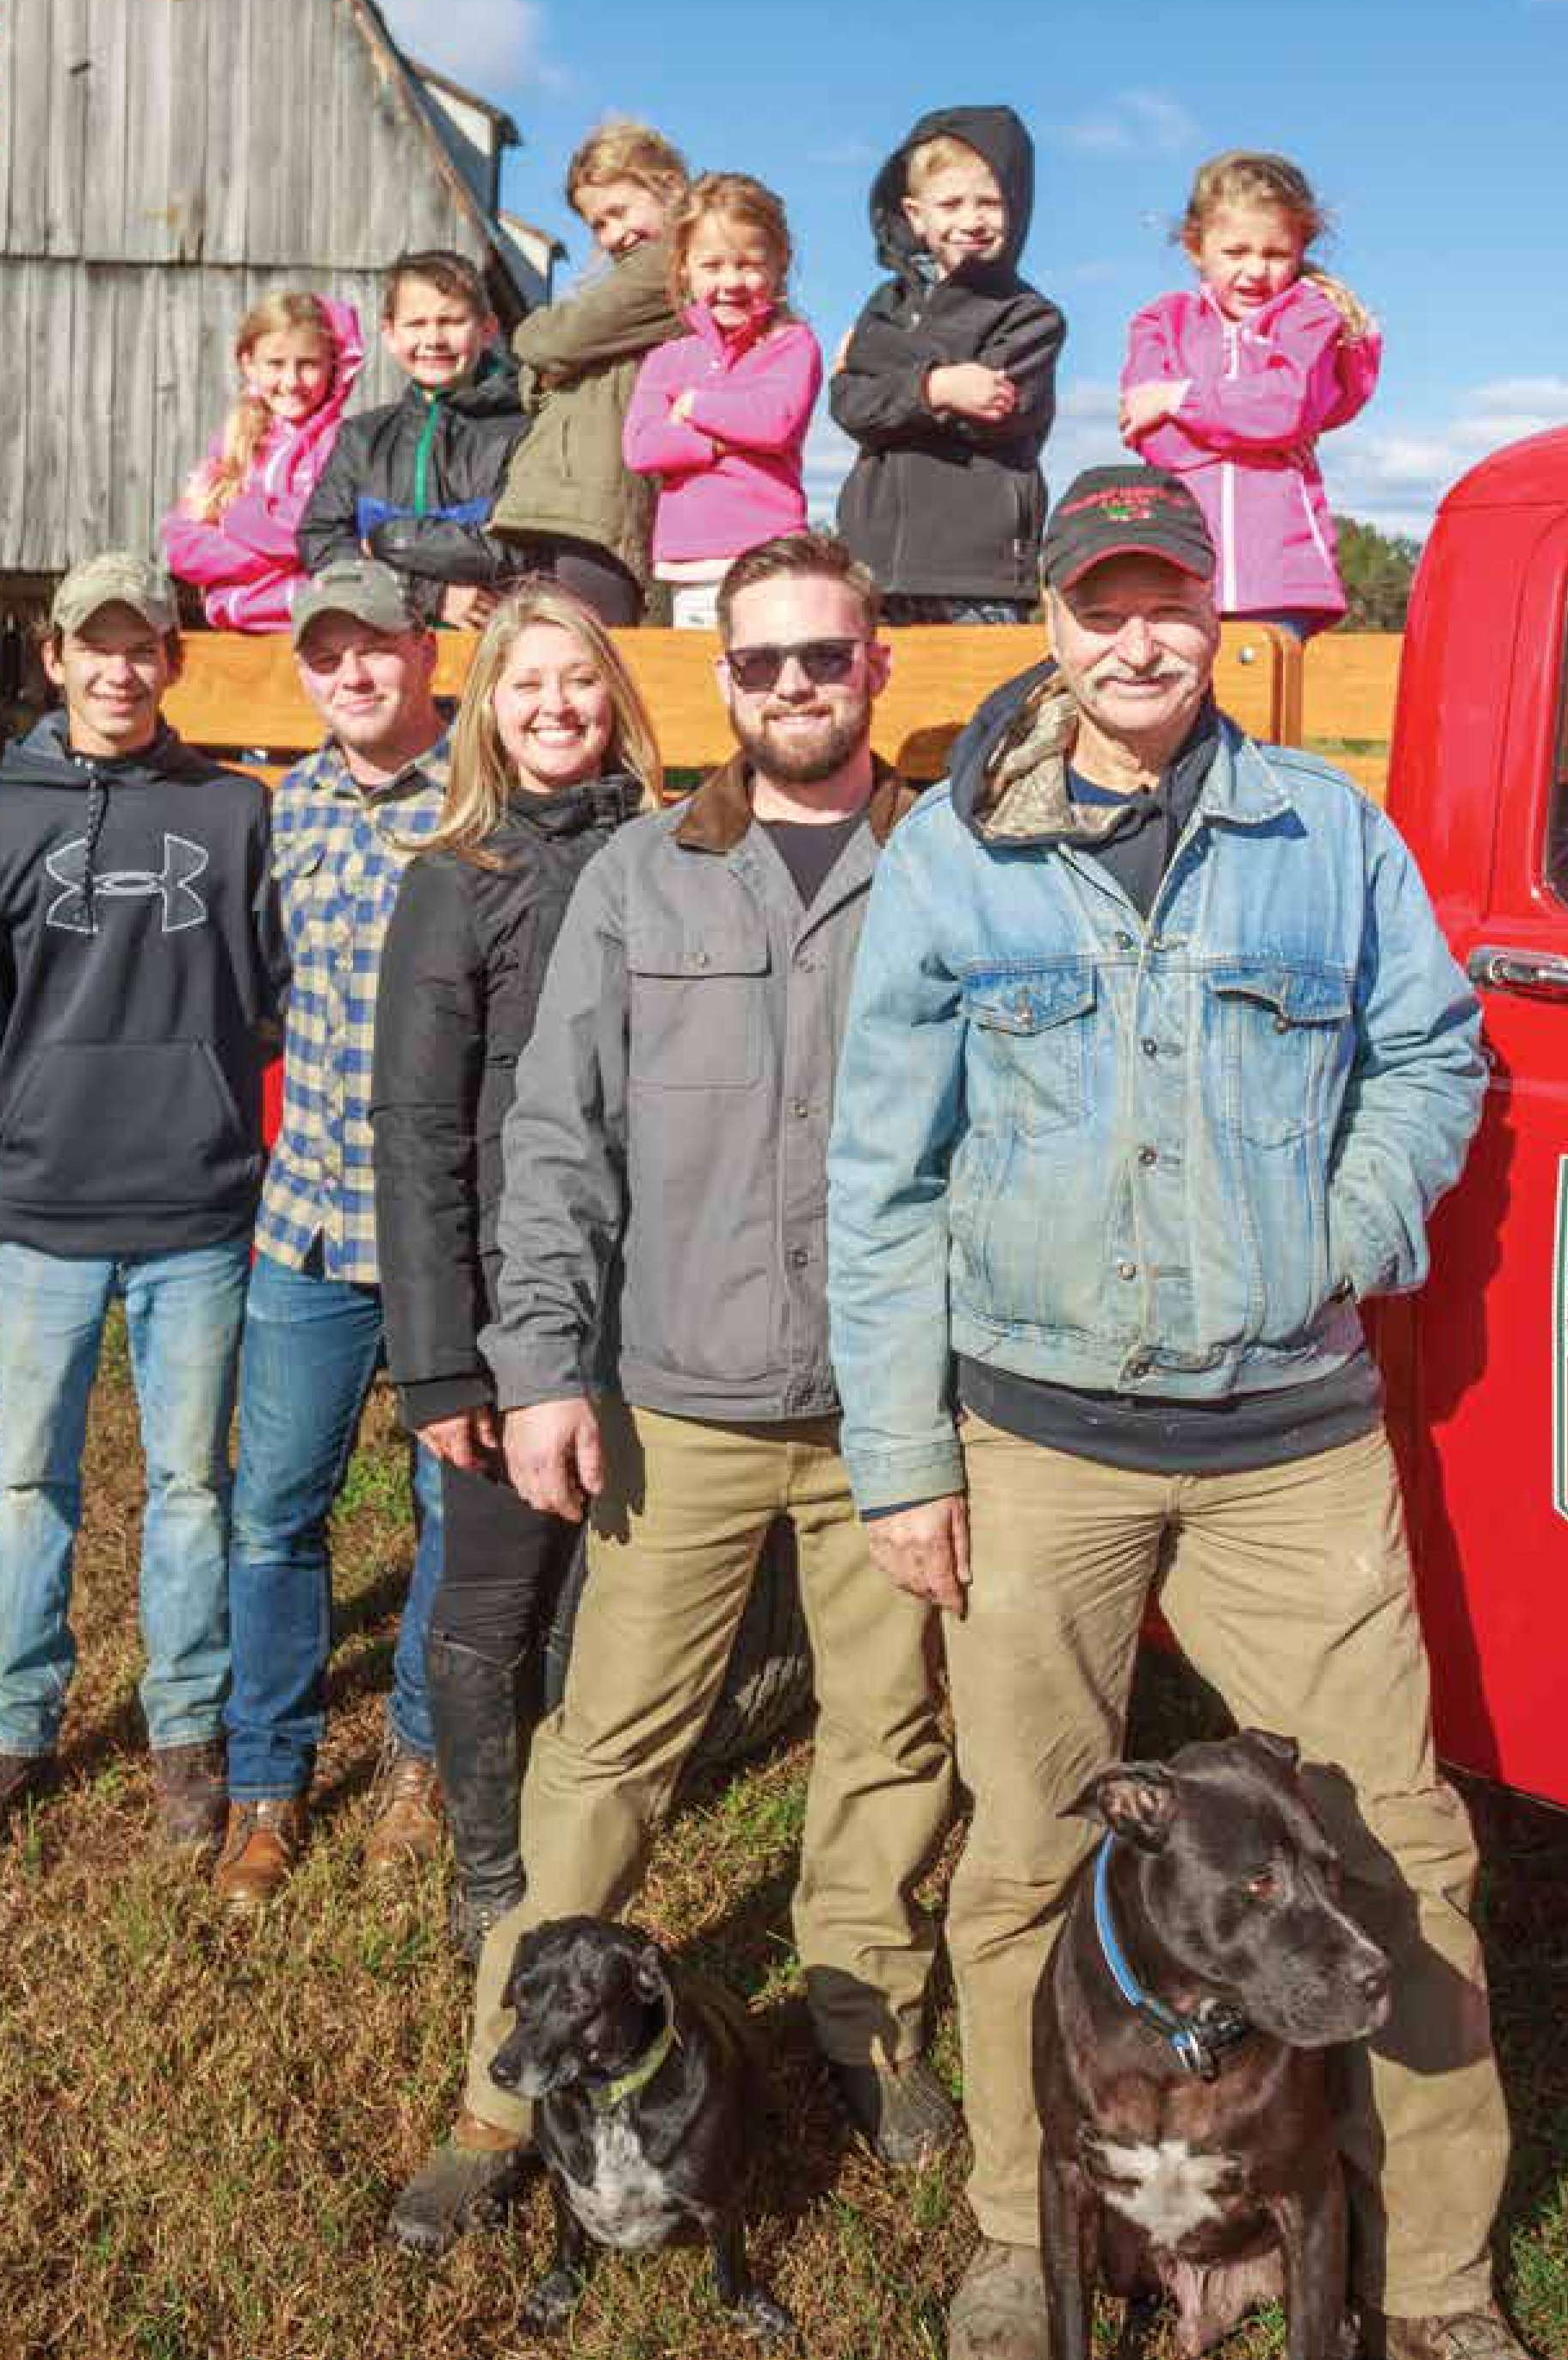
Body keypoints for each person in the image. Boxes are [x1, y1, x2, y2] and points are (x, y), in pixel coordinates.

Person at [827, 467, 1526, 2360]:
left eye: (1167, 601)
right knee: (1018, 1854)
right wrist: (900, 1456)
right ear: (1048, 624)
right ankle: (1019, 2223)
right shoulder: (953, 855)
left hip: (1286, 1441)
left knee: (1398, 1848)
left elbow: (1429, 1050)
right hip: (1037, 1440)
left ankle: (1434, 2277)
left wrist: (1344, 1230)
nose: (1136, 638)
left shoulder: (1322, 830)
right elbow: (881, 1171)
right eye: (1099, 603)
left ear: (1218, 615)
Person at [388, 529, 958, 2252]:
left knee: (889, 1733)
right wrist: (540, 1363)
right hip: (681, 1402)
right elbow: (555, 1136)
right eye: (761, 659)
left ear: (872, 667)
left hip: (889, 1407)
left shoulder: (946, 863)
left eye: (824, 655)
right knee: (607, 1749)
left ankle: (865, 2019)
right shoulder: (643, 875)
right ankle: (500, 2096)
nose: (794, 684)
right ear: (722, 680)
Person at [0, 551, 285, 1859]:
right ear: (55, 658)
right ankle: (10, 1727)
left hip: (197, 1212)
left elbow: (279, 1005)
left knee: (192, 1486)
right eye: (96, 645)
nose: (119, 670)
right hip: (39, 1217)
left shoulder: (234, 814)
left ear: (172, 663)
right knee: (29, 1479)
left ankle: (185, 1730)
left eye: (144, 647)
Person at [369, 586, 660, 1953]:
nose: (555, 706)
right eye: (526, 683)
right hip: (504, 1298)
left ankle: (573, 1830)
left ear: (617, 698)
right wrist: (439, 1361)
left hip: (653, 1293)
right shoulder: (456, 878)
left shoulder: (674, 850)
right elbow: (417, 1128)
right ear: (486, 707)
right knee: (492, 1596)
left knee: (608, 1596)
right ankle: (489, 1873)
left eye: (578, 680)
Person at [212, 557, 457, 1906]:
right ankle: (268, 1778)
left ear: (425, 653)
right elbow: (253, 993)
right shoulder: (284, 811)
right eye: (326, 653)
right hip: (308, 1224)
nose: (352, 673)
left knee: (449, 1513)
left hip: (442, 1241)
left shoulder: (479, 795)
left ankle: (418, 1757)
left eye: (375, 647)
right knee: (273, 1512)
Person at [368, 119, 690, 626]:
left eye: (619, 212)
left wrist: (550, 350)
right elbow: (538, 374)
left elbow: (544, 340)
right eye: (598, 225)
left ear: (667, 187)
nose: (613, 235)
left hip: (592, 504)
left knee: (586, 644)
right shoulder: (639, 274)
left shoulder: (668, 265)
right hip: (570, 503)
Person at [1119, 148, 1381, 640]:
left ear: (1301, 248)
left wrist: (1179, 400)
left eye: (1276, 254)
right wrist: (1255, 430)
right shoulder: (1161, 322)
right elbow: (1153, 437)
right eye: (1236, 252)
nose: (1256, 271)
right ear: (1196, 247)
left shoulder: (1310, 316)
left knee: (1269, 690)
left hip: (1283, 578)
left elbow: (1285, 408)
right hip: (1183, 573)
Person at [830, 104, 1063, 626]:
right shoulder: (886, 305)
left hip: (979, 576)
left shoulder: (1031, 316)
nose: (971, 221)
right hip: (874, 568)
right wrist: (936, 388)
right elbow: (849, 405)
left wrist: (880, 364)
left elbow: (994, 410)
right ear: (916, 216)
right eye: (951, 204)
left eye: (990, 203)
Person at [622, 171, 821, 628]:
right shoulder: (666, 358)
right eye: (712, 266)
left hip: (771, 552)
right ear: (684, 268)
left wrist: (694, 406)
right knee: (702, 670)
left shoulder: (792, 344)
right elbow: (642, 447)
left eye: (748, 264)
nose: (730, 282)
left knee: (767, 660)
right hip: (690, 559)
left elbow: (775, 422)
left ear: (780, 264)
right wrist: (714, 444)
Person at [295, 251, 525, 622]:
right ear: (390, 334)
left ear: (487, 329)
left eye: (452, 321)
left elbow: (513, 551)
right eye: (416, 324)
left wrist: (387, 539)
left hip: (486, 634)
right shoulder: (362, 438)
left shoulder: (522, 432)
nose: (433, 339)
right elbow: (320, 540)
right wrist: (428, 597)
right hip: (378, 639)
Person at [160, 291, 364, 631]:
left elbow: (319, 533)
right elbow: (181, 544)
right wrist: (279, 558)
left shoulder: (346, 445)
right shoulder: (233, 440)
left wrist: (235, 517)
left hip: (319, 631)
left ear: (335, 365)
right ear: (248, 364)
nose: (291, 382)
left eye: (308, 364)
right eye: (276, 364)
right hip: (234, 635)